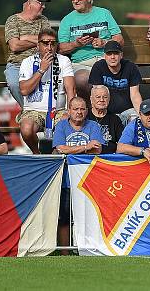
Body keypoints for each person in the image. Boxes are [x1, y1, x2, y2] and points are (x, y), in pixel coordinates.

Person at [52, 96, 104, 254]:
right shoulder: (61, 126)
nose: (79, 112)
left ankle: (90, 250)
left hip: (89, 179)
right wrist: (86, 147)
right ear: (69, 111)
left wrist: (72, 149)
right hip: (66, 180)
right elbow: (59, 149)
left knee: (90, 218)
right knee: (64, 218)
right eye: (76, 109)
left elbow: (98, 149)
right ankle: (65, 254)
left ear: (87, 111)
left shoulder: (93, 125)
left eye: (82, 109)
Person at [57, 0, 124, 99]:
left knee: (114, 74)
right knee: (83, 79)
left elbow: (119, 40)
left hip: (106, 60)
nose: (75, 1)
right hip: (81, 63)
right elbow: (61, 48)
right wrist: (76, 44)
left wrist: (104, 43)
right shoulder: (67, 20)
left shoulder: (104, 13)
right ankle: (90, 109)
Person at [18, 28, 76, 154]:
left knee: (69, 122)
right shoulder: (27, 62)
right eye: (45, 43)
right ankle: (36, 153)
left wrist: (71, 111)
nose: (49, 47)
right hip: (34, 111)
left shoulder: (63, 60)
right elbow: (24, 90)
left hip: (58, 110)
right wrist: (41, 69)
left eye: (53, 43)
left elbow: (70, 89)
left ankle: (57, 153)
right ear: (38, 45)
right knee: (26, 128)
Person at [4, 0, 52, 106]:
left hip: (41, 63)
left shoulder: (43, 20)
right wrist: (38, 41)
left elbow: (48, 41)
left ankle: (32, 113)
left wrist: (25, 37)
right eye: (40, 3)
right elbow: (14, 46)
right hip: (17, 64)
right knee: (14, 84)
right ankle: (28, 110)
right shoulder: (13, 20)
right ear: (29, 3)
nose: (44, 6)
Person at [88, 41, 142, 123]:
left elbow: (135, 95)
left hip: (127, 111)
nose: (112, 57)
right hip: (106, 112)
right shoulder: (98, 67)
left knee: (137, 120)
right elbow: (97, 95)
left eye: (116, 53)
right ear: (104, 56)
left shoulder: (130, 67)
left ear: (121, 55)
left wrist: (141, 115)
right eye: (109, 54)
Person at [87, 85, 124, 154]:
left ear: (109, 99)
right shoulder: (84, 116)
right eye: (98, 97)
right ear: (91, 99)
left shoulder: (115, 119)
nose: (101, 100)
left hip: (108, 158)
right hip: (87, 157)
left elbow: (122, 143)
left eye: (105, 97)